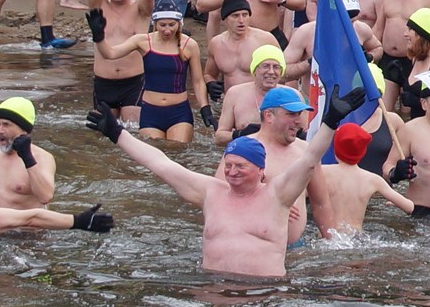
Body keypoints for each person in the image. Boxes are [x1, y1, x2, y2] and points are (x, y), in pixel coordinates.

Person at [87, 89, 342, 277]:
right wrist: (117, 134)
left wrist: (330, 122)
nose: (232, 172)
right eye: (229, 165)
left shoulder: (277, 195)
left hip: (266, 296)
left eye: (240, 166)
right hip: (214, 290)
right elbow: (161, 164)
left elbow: (310, 159)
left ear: (260, 171)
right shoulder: (211, 192)